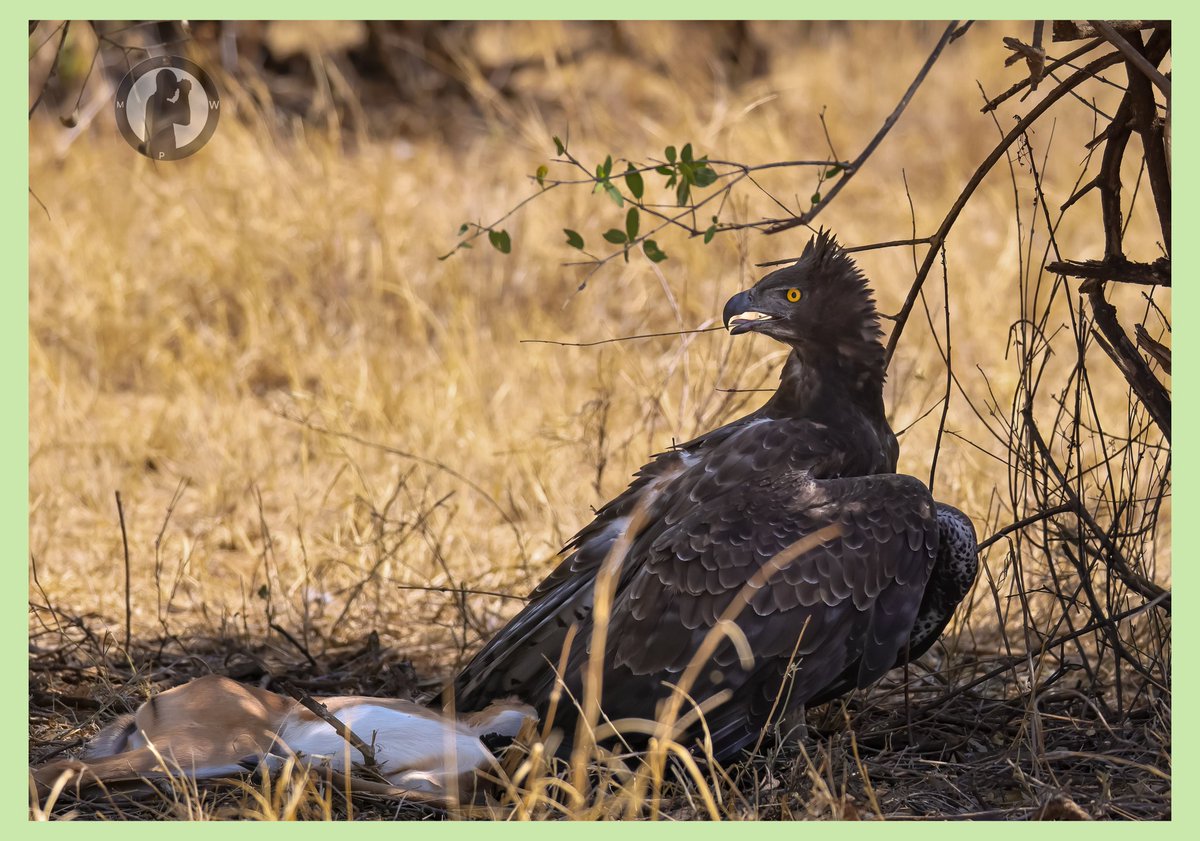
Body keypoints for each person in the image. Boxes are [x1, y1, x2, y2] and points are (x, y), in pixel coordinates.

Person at [143, 70, 192, 159]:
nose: (175, 90)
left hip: (170, 153)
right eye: (172, 85)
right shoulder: (153, 100)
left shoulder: (168, 103)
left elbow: (186, 120)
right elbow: (153, 127)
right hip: (158, 150)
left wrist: (185, 94)